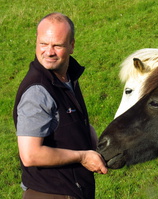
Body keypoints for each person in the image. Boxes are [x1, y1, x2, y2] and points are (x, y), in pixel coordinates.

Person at [13, 12, 108, 199]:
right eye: (43, 44)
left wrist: (87, 133)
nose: (49, 52)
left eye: (57, 45)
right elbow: (30, 154)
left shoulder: (66, 76)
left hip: (73, 190)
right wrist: (83, 156)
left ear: (72, 45)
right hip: (50, 193)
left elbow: (62, 122)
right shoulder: (37, 92)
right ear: (36, 41)